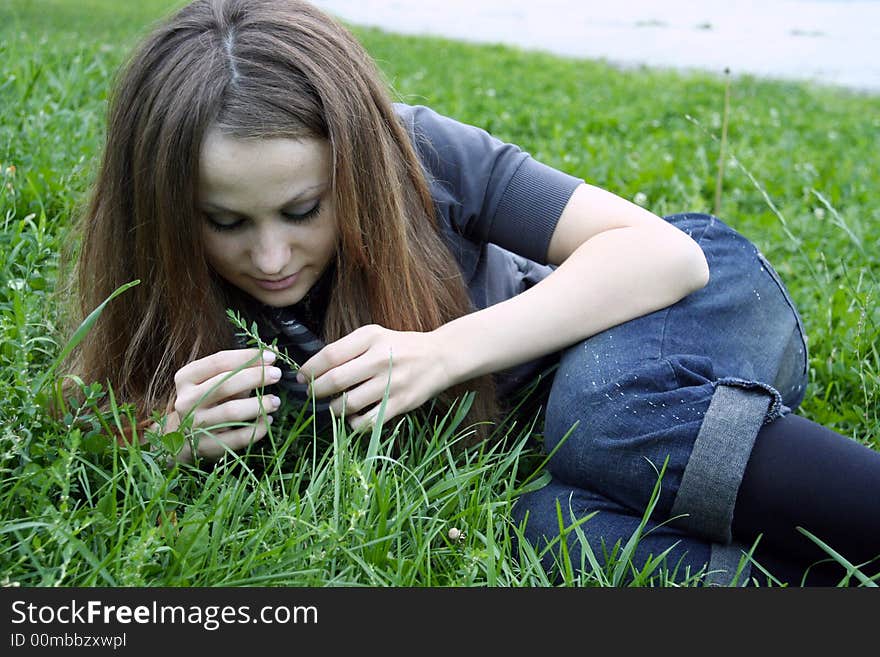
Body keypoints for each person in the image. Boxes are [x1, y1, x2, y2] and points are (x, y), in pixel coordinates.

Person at [62, 0, 880, 587]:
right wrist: (164, 439)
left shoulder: (416, 152)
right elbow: (100, 415)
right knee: (545, 525)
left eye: (303, 209)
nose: (271, 254)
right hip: (606, 444)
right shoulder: (162, 281)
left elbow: (662, 254)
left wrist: (442, 352)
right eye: (224, 222)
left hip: (676, 310)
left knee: (595, 415)